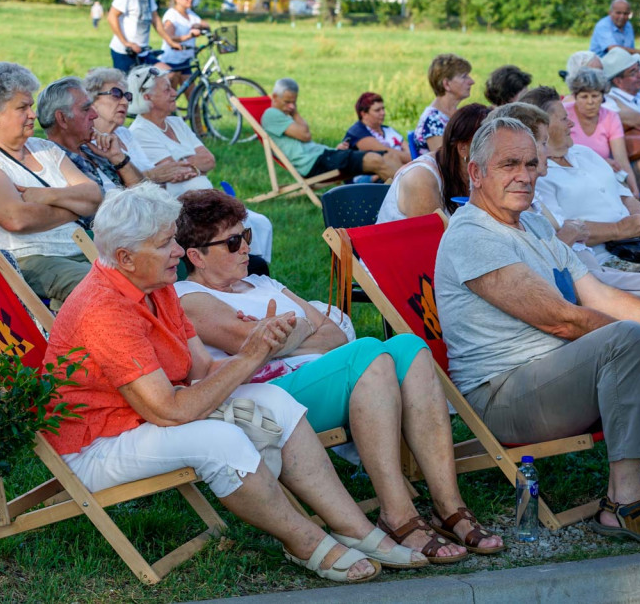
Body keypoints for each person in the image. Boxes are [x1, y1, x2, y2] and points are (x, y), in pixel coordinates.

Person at [45, 183, 412, 584]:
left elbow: (201, 368)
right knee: (220, 442)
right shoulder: (105, 311)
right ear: (125, 258)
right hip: (98, 443)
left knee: (273, 402)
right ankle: (305, 542)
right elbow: (169, 411)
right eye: (166, 243)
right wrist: (251, 355)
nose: (179, 252)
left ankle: (354, 528)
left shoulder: (156, 286)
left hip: (145, 416)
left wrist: (260, 346)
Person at [174, 189, 504, 560]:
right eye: (233, 242)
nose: (246, 248)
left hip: (314, 377)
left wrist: (288, 332)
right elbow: (252, 344)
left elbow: (331, 332)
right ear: (196, 256)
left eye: (246, 236)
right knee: (365, 352)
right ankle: (398, 514)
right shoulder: (188, 297)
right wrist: (297, 330)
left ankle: (449, 506)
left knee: (410, 348)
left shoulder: (265, 284)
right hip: (270, 396)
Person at [435, 116, 640, 544]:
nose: (525, 176)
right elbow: (561, 319)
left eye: (530, 164)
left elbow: (599, 297)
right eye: (509, 165)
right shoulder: (472, 236)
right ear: (476, 172)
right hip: (506, 396)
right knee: (627, 337)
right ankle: (623, 499)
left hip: (560, 375)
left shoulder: (535, 224)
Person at [0, 63, 101, 304]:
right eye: (22, 107)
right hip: (29, 262)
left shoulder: (44, 148)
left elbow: (94, 196)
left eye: (31, 106)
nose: (33, 114)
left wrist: (46, 196)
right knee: (106, 289)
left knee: (143, 276)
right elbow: (17, 219)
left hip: (82, 248)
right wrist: (73, 205)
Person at [509, 89, 640, 308]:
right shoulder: (539, 177)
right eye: (565, 118)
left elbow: (625, 196)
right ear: (544, 125)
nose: (571, 124)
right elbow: (562, 231)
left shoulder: (586, 153)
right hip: (609, 259)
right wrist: (619, 229)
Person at [126, 66, 275, 263]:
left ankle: (252, 272)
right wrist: (192, 165)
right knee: (244, 228)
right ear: (147, 98)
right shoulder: (141, 131)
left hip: (206, 204)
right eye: (167, 90)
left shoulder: (176, 122)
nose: (175, 93)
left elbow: (209, 159)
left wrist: (189, 167)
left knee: (262, 224)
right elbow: (173, 171)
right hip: (182, 210)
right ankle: (243, 271)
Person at [263, 79, 404, 182]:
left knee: (389, 156)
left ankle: (410, 192)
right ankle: (408, 197)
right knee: (375, 160)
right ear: (275, 97)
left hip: (325, 155)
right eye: (287, 102)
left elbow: (306, 136)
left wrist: (335, 151)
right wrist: (295, 112)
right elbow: (305, 135)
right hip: (314, 163)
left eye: (294, 102)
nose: (292, 106)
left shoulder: (283, 114)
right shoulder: (271, 114)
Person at [376, 104, 490, 223]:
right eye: (488, 142)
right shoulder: (421, 178)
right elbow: (428, 238)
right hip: (401, 241)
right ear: (463, 148)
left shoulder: (478, 174)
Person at [84, 67, 197, 187]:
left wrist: (152, 176)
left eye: (127, 96)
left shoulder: (124, 134)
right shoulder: (87, 142)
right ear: (92, 101)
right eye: (115, 94)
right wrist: (152, 176)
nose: (125, 102)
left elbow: (160, 185)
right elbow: (109, 189)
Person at [37, 76, 144, 196]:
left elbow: (143, 192)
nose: (94, 115)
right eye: (86, 109)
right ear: (62, 119)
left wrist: (118, 158)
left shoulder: (93, 151)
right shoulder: (51, 164)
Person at [562, 68, 640, 197]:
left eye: (595, 96)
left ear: (603, 97)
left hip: (602, 179)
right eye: (584, 97)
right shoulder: (564, 114)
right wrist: (599, 163)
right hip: (570, 178)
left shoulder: (610, 117)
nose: (590, 102)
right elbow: (558, 155)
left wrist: (634, 190)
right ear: (575, 97)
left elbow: (621, 159)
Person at [107, 0, 182, 73]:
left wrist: (170, 42)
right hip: (124, 52)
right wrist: (126, 43)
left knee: (168, 73)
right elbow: (112, 16)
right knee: (128, 87)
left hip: (143, 52)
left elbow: (155, 19)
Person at [412, 54, 475, 156]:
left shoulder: (455, 113)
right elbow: (445, 162)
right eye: (464, 77)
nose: (472, 82)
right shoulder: (432, 120)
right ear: (446, 84)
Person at [159, 0, 210, 89]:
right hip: (172, 62)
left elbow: (206, 25)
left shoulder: (190, 14)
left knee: (193, 100)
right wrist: (188, 36)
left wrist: (199, 26)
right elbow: (168, 36)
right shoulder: (172, 15)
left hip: (185, 61)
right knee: (170, 100)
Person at [341, 92, 411, 163]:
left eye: (383, 109)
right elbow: (385, 153)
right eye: (377, 110)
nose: (383, 113)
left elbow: (410, 149)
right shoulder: (357, 132)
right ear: (364, 114)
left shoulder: (388, 130)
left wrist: (412, 157)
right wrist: (412, 158)